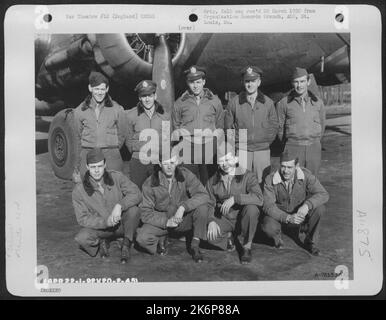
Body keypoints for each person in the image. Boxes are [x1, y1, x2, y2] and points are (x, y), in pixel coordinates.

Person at [136, 145, 211, 262]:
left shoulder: (186, 175)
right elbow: (145, 212)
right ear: (160, 164)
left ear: (177, 161)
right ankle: (162, 237)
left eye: (172, 162)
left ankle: (195, 244)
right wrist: (166, 222)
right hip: (164, 220)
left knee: (202, 207)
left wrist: (183, 207)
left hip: (183, 219)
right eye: (165, 163)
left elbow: (203, 195)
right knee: (142, 238)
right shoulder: (150, 182)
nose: (169, 167)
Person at [72, 148, 142, 264]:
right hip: (102, 229)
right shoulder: (79, 190)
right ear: (87, 167)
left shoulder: (116, 177)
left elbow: (136, 193)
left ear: (105, 164)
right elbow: (82, 218)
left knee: (134, 211)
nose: (97, 171)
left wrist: (120, 205)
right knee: (82, 238)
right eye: (93, 167)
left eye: (99, 166)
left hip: (121, 226)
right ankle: (102, 241)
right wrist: (105, 222)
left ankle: (126, 242)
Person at [261, 148, 329, 255]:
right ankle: (277, 239)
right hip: (281, 217)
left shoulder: (306, 175)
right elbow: (267, 205)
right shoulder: (270, 179)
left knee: (320, 209)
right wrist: (287, 218)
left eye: (289, 167)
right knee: (268, 226)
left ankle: (311, 242)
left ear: (296, 166)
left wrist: (307, 206)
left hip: (300, 216)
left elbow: (323, 194)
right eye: (283, 166)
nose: (286, 171)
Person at [206, 145, 263, 264]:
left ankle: (247, 247)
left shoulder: (248, 175)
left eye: (227, 160)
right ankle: (228, 238)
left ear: (236, 159)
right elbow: (209, 202)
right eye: (221, 161)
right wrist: (211, 220)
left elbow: (259, 198)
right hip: (225, 217)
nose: (224, 164)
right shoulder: (212, 181)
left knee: (252, 209)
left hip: (243, 217)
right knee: (209, 235)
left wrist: (236, 199)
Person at [225, 65, 278, 184]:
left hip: (262, 149)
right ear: (243, 82)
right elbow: (229, 128)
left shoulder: (268, 103)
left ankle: (261, 202)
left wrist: (265, 140)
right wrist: (235, 146)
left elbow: (274, 125)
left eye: (253, 81)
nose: (250, 85)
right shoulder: (234, 103)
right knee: (242, 182)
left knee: (263, 182)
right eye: (247, 81)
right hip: (243, 149)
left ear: (259, 82)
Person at [172, 65, 224, 185]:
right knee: (189, 181)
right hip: (188, 147)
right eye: (191, 82)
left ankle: (210, 202)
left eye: (198, 82)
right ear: (187, 82)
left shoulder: (215, 101)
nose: (195, 86)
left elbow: (220, 126)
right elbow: (176, 126)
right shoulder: (180, 103)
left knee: (209, 180)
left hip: (209, 146)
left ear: (204, 82)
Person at [73, 71, 126, 180]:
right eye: (96, 89)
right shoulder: (80, 110)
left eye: (102, 89)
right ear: (90, 88)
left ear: (107, 89)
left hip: (111, 155)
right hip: (88, 152)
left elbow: (122, 133)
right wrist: (78, 164)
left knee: (114, 187)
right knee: (88, 190)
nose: (99, 92)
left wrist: (111, 147)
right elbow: (77, 137)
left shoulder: (117, 109)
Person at [276, 67, 326, 176]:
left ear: (308, 82)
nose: (299, 85)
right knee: (294, 182)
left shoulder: (318, 102)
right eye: (296, 82)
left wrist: (314, 140)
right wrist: (291, 143)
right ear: (292, 83)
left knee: (312, 181)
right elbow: (280, 129)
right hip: (293, 147)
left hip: (314, 147)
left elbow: (322, 125)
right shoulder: (284, 104)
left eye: (302, 81)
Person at [125, 80, 170, 189]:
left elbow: (166, 140)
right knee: (137, 192)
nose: (147, 99)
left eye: (149, 95)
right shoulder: (131, 115)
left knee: (158, 193)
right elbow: (128, 139)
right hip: (138, 161)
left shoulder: (164, 116)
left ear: (155, 96)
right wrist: (139, 150)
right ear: (139, 98)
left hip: (157, 161)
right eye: (143, 96)